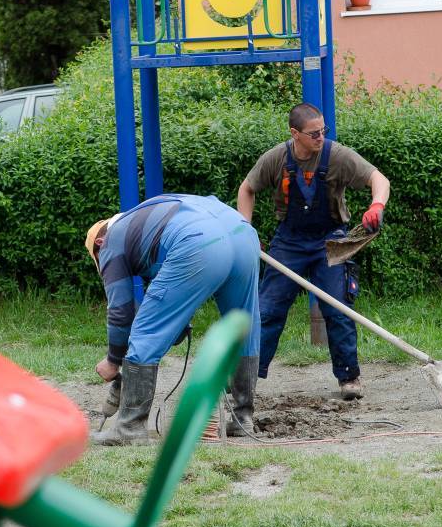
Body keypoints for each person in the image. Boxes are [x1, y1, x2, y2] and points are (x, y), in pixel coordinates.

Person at [237, 102, 390, 400]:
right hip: (289, 242)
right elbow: (247, 189)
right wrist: (245, 229)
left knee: (338, 308)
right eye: (314, 133)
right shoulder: (276, 159)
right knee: (267, 310)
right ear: (295, 134)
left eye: (324, 131)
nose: (321, 137)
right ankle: (248, 379)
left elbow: (378, 180)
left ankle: (349, 379)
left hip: (329, 242)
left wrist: (376, 205)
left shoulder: (338, 157)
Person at [86, 193, 261, 445]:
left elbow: (122, 311)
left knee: (145, 332)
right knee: (243, 325)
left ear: (99, 244)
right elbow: (169, 298)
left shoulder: (111, 242)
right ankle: (243, 419)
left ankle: (129, 428)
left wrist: (113, 361)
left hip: (198, 240)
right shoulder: (148, 222)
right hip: (241, 232)